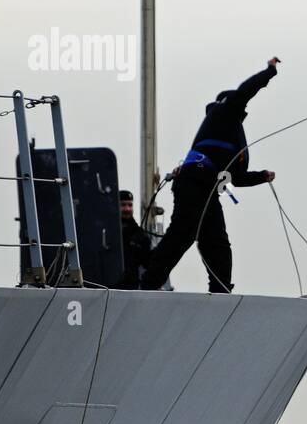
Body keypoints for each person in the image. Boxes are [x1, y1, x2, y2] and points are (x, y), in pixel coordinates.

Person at [141, 58, 280, 293]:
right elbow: (246, 91)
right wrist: (269, 72)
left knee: (217, 243)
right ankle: (147, 286)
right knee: (183, 235)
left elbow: (236, 177)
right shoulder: (223, 113)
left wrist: (262, 176)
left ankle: (221, 292)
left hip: (207, 188)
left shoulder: (233, 135)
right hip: (194, 182)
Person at [116, 190, 153, 289]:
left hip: (130, 288)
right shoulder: (106, 232)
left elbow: (148, 263)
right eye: (123, 205)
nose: (127, 209)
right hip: (107, 286)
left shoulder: (140, 236)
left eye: (130, 205)